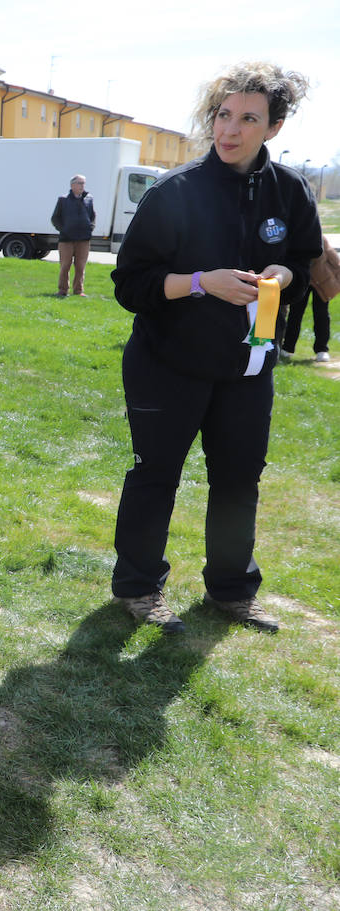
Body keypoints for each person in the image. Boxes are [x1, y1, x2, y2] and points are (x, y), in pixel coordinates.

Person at [109, 62, 319, 634]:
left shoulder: (290, 191)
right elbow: (130, 284)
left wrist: (285, 272)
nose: (230, 130)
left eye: (248, 119)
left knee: (238, 479)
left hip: (249, 368)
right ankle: (138, 588)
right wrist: (202, 282)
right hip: (166, 366)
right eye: (223, 115)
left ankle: (231, 590)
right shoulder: (174, 192)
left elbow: (302, 263)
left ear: (273, 127)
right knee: (156, 475)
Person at [281, 236, 338, 362]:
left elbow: (334, 260)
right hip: (301, 281)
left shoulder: (321, 238)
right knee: (295, 314)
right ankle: (288, 348)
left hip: (321, 282)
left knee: (321, 315)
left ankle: (322, 349)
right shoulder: (294, 238)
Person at [51, 174, 95, 297]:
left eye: (84, 183)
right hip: (66, 239)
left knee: (80, 266)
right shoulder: (63, 199)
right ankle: (63, 290)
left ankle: (78, 290)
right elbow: (55, 218)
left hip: (84, 239)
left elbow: (92, 216)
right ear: (72, 185)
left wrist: (90, 228)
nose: (82, 186)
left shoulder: (88, 199)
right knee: (65, 265)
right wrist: (63, 230)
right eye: (80, 183)